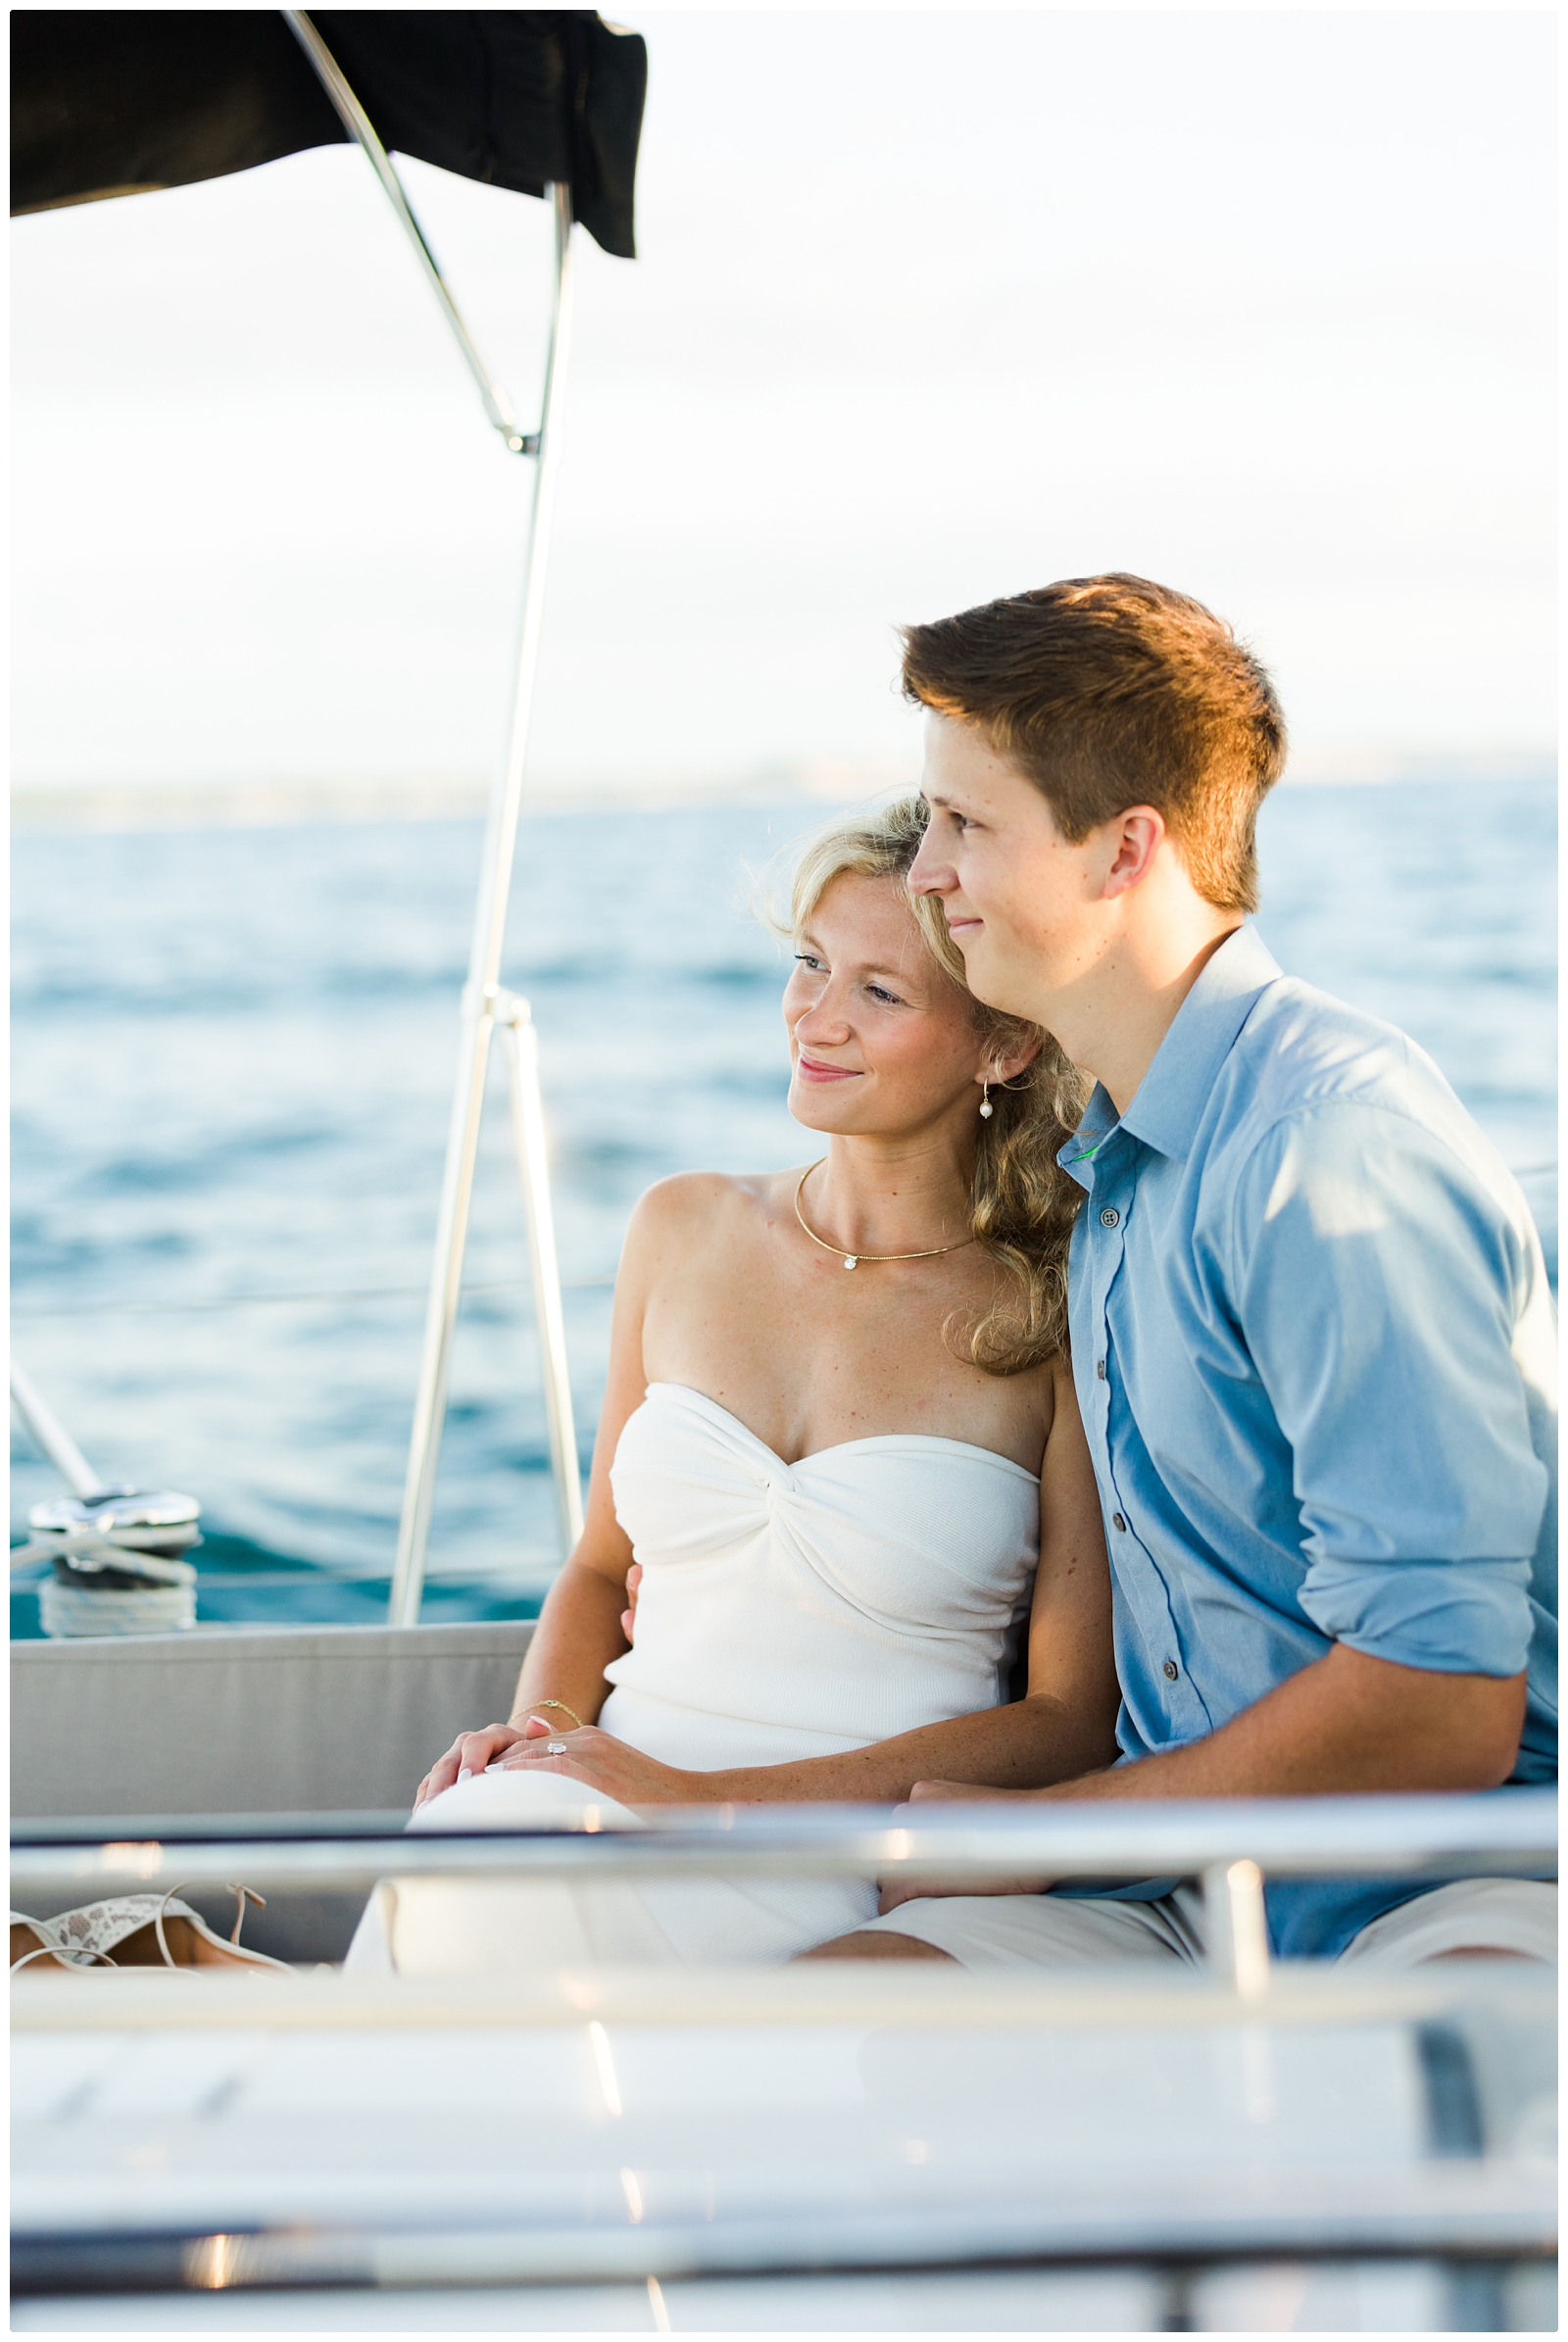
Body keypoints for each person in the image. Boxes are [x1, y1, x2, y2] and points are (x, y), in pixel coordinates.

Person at [799, 572, 1557, 1974]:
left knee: (1440, 2124)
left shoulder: (1327, 1148)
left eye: (967, 822)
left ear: (1124, 850)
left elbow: (1442, 1701)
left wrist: (1046, 1835)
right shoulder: (1118, 1181)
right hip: (1182, 1890)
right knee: (823, 2023)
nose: (927, 871)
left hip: (1449, 1889)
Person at [348, 799, 1118, 1973]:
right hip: (598, 1808)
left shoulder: (1055, 1302)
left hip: (844, 1858)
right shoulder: (683, 1225)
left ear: (1003, 1044)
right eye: (810, 964)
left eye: (880, 990)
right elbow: (600, 1566)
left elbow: (1070, 1718)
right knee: (491, 1837)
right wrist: (544, 1738)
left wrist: (697, 1802)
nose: (814, 1016)